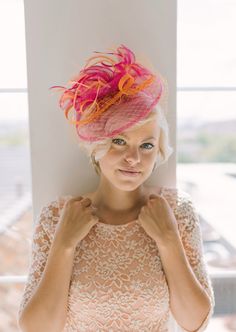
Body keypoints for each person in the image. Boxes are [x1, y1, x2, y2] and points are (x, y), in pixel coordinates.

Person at [17, 44, 215, 331]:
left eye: (146, 145)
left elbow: (195, 322)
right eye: (119, 141)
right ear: (97, 144)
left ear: (158, 151)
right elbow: (36, 328)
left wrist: (168, 239)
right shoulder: (58, 217)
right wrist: (64, 243)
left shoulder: (176, 210)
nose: (133, 158)